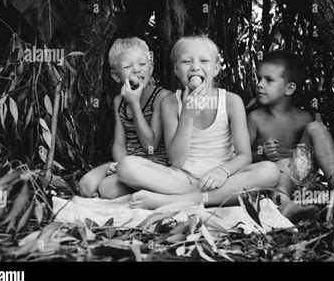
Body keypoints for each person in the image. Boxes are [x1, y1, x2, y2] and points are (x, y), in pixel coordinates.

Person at [115, 36, 280, 209]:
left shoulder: (231, 101)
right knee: (126, 166)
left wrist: (222, 171)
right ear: (177, 70)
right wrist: (187, 115)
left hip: (225, 177)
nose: (195, 66)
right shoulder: (170, 103)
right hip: (183, 177)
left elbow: (244, 155)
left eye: (203, 60)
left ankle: (175, 201)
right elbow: (176, 161)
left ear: (216, 68)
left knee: (269, 171)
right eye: (186, 61)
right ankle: (207, 197)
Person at [247, 50, 334, 222]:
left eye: (269, 80)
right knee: (278, 170)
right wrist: (261, 154)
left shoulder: (303, 117)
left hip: (301, 175)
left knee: (316, 128)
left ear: (289, 88)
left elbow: (308, 155)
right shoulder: (255, 118)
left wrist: (290, 153)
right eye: (259, 78)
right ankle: (285, 207)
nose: (259, 84)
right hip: (272, 178)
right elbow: (240, 157)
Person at [79, 37, 171, 198]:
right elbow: (119, 143)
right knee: (85, 186)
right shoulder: (119, 101)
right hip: (127, 163)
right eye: (128, 66)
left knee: (107, 188)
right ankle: (127, 184)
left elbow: (151, 144)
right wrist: (120, 165)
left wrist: (134, 104)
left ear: (151, 67)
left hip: (154, 167)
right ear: (116, 76)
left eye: (142, 64)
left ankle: (146, 191)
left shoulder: (161, 97)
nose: (137, 70)